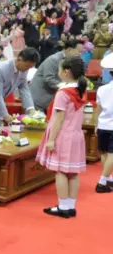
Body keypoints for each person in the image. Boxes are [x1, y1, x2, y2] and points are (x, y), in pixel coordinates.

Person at [36, 56, 87, 218]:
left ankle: (63, 206)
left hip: (63, 135)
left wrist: (51, 139)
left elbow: (59, 118)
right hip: (76, 134)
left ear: (66, 71)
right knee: (73, 172)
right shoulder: (81, 89)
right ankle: (70, 206)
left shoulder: (63, 93)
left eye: (59, 69)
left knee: (60, 171)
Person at [30, 39, 84, 112]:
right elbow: (49, 79)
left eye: (82, 52)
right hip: (42, 98)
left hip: (55, 98)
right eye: (79, 51)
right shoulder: (53, 60)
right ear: (69, 49)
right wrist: (66, 86)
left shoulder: (72, 61)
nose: (80, 54)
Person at [95, 53, 113, 193]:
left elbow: (98, 109)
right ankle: (102, 182)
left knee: (104, 152)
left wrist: (96, 125)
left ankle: (108, 178)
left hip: (102, 124)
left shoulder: (101, 89)